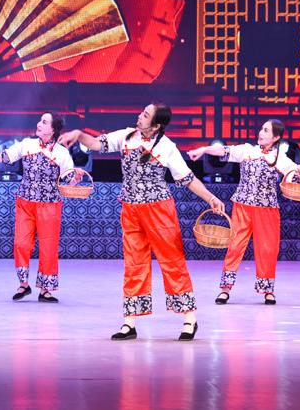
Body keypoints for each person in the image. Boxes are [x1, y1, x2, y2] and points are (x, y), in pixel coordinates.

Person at [58, 103, 226, 341]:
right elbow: (97, 144)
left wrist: (211, 198)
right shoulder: (127, 136)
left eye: (145, 115)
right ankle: (129, 323)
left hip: (159, 211)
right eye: (142, 112)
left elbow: (188, 178)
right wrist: (78, 134)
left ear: (156, 126)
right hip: (131, 210)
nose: (139, 116)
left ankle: (190, 318)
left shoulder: (167, 147)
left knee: (172, 261)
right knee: (134, 263)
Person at [187, 120, 300, 305]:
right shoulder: (247, 150)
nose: (261, 132)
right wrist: (204, 149)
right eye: (261, 129)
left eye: (266, 130)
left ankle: (267, 290)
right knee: (235, 246)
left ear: (276, 137)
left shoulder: (280, 159)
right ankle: (225, 289)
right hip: (243, 206)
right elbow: (223, 150)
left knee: (268, 249)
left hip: (267, 209)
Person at [0, 112, 76, 302]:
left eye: (44, 122)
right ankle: (24, 284)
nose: (39, 124)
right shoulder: (27, 144)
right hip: (25, 203)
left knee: (48, 247)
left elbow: (69, 178)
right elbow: (5, 156)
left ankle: (45, 290)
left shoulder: (62, 153)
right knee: (21, 244)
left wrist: (75, 177)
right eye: (40, 120)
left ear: (53, 130)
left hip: (50, 205)